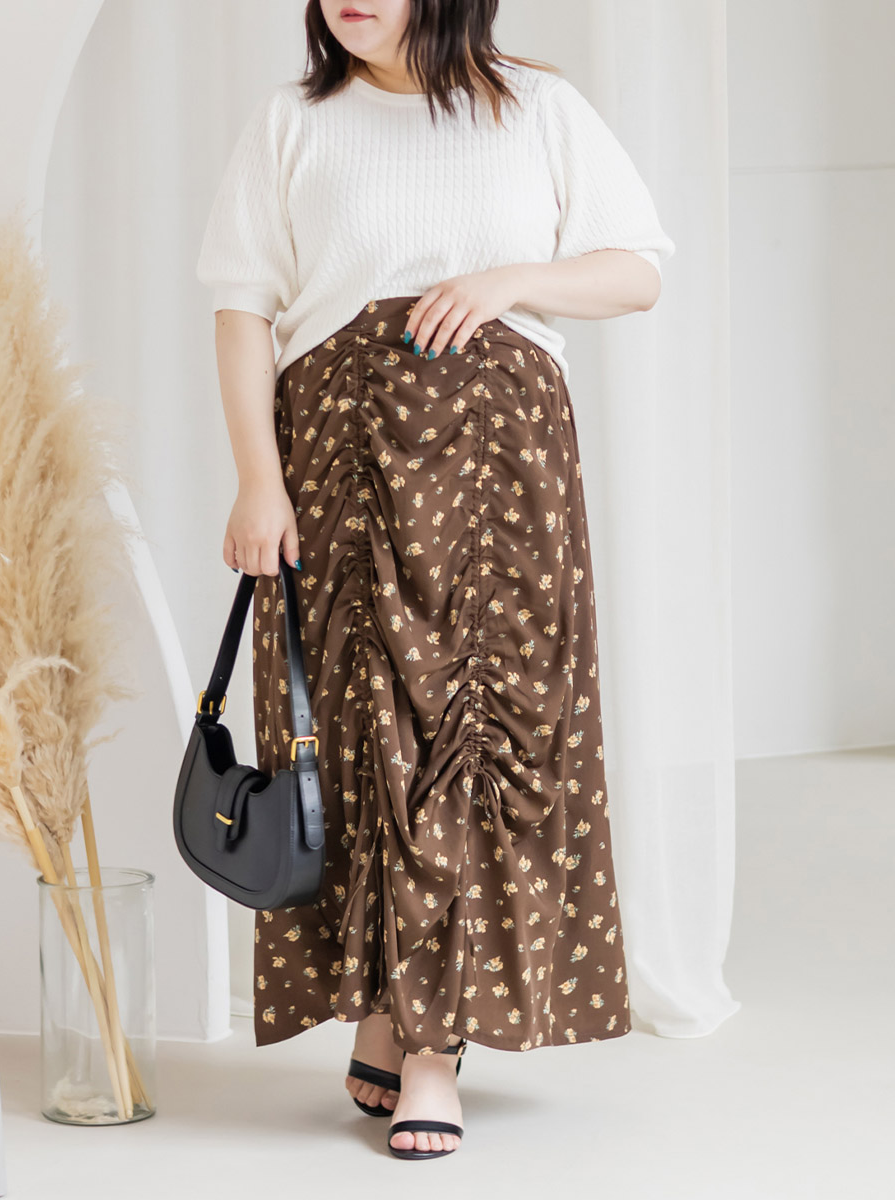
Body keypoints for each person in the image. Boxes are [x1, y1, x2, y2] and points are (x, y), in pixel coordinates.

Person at [196, 0, 675, 1162]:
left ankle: (429, 1048)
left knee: (469, 735)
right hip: (339, 460)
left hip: (501, 476)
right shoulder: (294, 121)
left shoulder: (538, 108)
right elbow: (243, 307)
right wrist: (257, 481)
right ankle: (384, 999)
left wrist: (509, 280)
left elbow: (637, 274)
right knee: (355, 732)